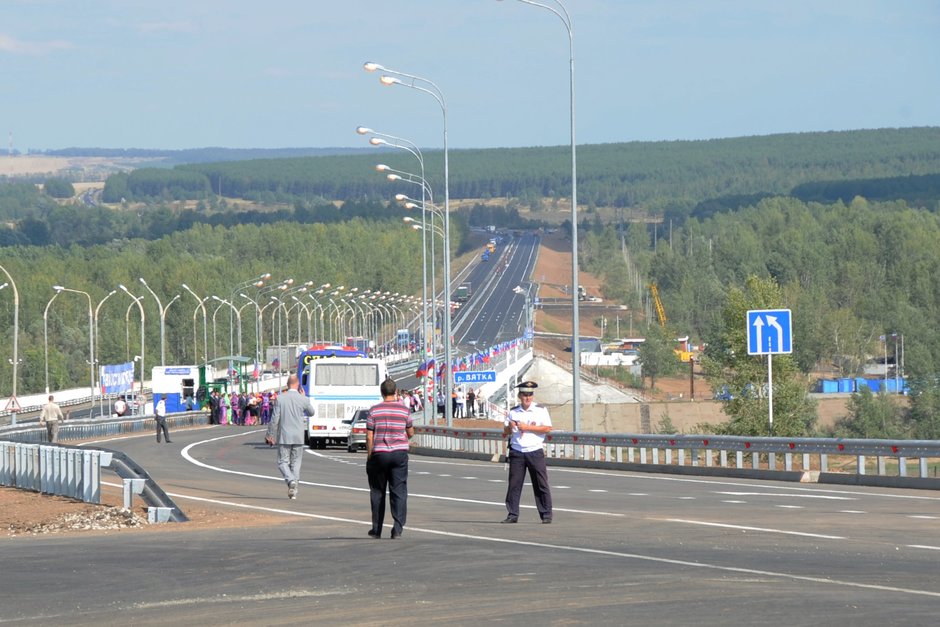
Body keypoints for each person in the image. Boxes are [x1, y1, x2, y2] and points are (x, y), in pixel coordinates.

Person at [366, 377, 414, 539]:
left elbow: (369, 436)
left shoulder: (374, 411)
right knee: (399, 490)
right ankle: (397, 529)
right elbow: (410, 432)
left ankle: (376, 529)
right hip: (399, 454)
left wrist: (369, 455)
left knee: (377, 491)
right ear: (395, 392)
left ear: (382, 393)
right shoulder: (404, 410)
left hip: (379, 454)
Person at [501, 381, 553, 524]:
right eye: (525, 395)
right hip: (517, 452)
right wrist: (510, 427)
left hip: (534, 451)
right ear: (520, 396)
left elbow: (547, 428)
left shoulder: (540, 410)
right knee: (514, 484)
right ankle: (512, 514)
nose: (527, 398)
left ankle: (546, 514)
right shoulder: (513, 411)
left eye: (530, 395)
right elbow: (505, 432)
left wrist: (527, 427)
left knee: (541, 484)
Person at [265, 374, 315, 500]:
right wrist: (304, 398)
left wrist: (270, 434)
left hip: (284, 435)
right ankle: (294, 491)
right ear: (297, 384)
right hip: (298, 436)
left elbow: (274, 418)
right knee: (296, 463)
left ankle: (291, 480)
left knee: (282, 462)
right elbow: (311, 413)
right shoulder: (303, 399)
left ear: (287, 385)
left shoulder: (281, 398)